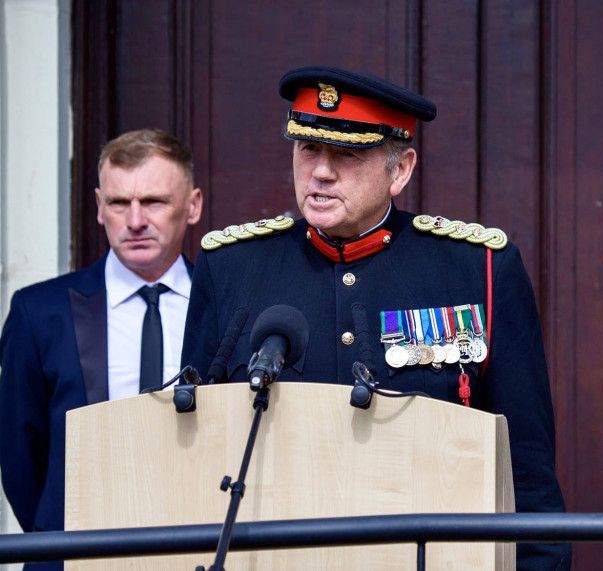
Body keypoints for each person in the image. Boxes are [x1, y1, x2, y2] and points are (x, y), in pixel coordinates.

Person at [181, 66, 571, 570]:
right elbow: (195, 450)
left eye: (346, 154)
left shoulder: (479, 269)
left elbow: (528, 472)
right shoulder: (232, 267)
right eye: (307, 149)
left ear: (401, 169)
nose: (320, 171)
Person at [0, 128, 203, 569]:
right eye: (118, 203)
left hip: (199, 549)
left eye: (153, 202)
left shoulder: (226, 305)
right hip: (74, 552)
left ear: (192, 206)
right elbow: (21, 454)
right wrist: (58, 537)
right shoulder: (39, 312)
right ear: (98, 207)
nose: (134, 221)